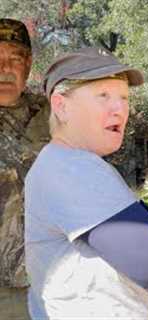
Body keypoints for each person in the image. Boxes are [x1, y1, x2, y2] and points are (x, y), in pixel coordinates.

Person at [24, 47, 148, 319]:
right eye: (104, 96)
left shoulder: (67, 163)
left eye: (124, 97)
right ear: (61, 106)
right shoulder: (70, 167)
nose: (120, 108)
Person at [0, 18, 50, 288]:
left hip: (49, 285)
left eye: (15, 58)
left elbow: (93, 181)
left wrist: (144, 218)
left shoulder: (57, 116)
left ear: (28, 64)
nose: (4, 68)